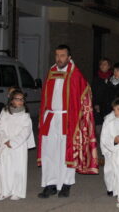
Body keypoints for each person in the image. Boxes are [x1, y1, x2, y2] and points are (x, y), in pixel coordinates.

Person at [37, 45, 99, 199]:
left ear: (69, 57)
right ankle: (50, 184)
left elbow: (85, 94)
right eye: (57, 55)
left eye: (63, 55)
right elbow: (44, 98)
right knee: (49, 152)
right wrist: (42, 118)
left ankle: (66, 184)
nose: (59, 58)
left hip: (68, 118)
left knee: (67, 152)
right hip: (51, 118)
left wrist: (81, 119)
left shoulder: (75, 74)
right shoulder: (51, 72)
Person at [0, 89, 35, 201]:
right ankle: (4, 191)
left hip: (19, 146)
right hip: (5, 144)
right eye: (17, 99)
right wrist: (5, 140)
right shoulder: (5, 113)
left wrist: (14, 142)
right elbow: (0, 127)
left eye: (22, 99)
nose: (20, 101)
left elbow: (26, 130)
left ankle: (17, 191)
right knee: (4, 168)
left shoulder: (25, 115)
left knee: (18, 169)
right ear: (11, 100)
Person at [92, 58, 113, 125]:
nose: (102, 66)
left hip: (110, 107)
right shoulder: (96, 78)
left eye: (105, 64)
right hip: (98, 108)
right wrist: (95, 104)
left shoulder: (113, 78)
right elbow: (93, 92)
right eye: (101, 64)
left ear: (109, 66)